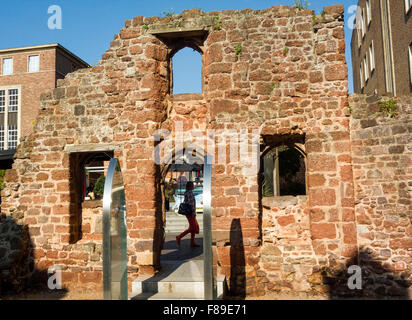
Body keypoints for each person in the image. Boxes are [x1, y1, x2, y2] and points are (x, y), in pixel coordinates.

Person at [176, 181, 200, 248]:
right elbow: (190, 203)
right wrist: (193, 212)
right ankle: (179, 237)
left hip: (190, 212)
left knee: (193, 228)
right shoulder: (190, 193)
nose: (194, 186)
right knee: (192, 228)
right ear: (191, 186)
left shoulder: (187, 192)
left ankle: (192, 242)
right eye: (193, 185)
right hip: (190, 212)